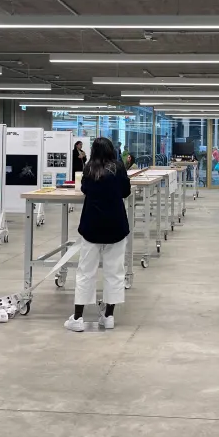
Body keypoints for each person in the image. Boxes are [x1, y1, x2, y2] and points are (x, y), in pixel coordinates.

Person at [65, 137, 131, 332]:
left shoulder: (88, 169)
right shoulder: (119, 167)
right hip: (116, 226)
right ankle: (109, 316)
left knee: (86, 272)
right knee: (115, 272)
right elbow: (125, 192)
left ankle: (78, 318)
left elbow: (85, 189)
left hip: (91, 226)